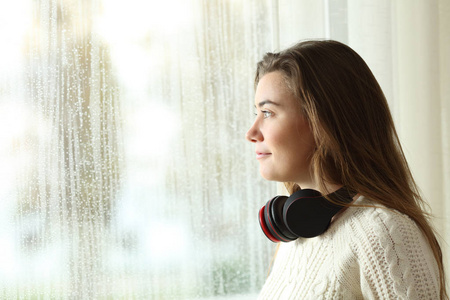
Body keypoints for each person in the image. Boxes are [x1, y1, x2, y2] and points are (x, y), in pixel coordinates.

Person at [246, 40, 447, 299]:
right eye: (256, 113)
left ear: (323, 120)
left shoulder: (386, 234)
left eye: (268, 112)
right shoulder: (296, 234)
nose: (251, 132)